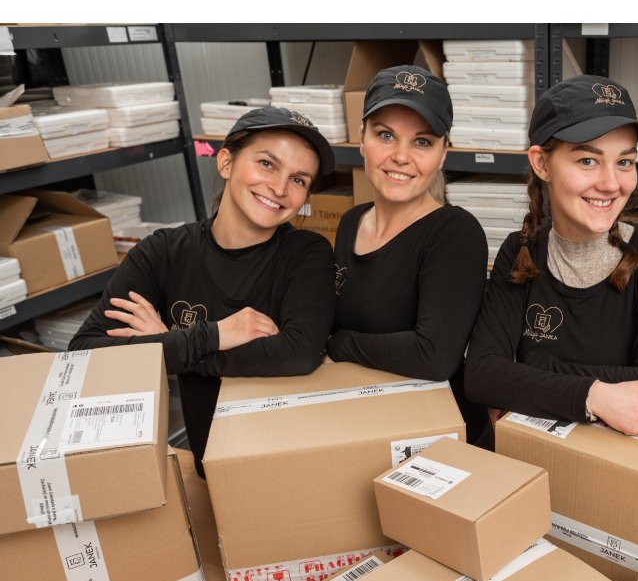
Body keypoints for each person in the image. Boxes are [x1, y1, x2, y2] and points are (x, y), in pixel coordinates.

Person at [69, 106, 337, 476]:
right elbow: (84, 354)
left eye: (298, 180)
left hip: (293, 458)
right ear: (225, 162)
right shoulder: (163, 252)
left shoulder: (307, 253)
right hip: (211, 460)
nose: (279, 188)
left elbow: (299, 354)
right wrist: (215, 334)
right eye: (267, 164)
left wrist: (170, 345)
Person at [464, 75, 638, 436]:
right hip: (528, 453)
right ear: (541, 163)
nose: (611, 184)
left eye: (625, 162)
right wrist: (595, 396)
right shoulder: (520, 250)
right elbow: (481, 376)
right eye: (588, 161)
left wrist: (530, 366)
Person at [326, 65, 489, 443]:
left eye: (422, 142)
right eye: (386, 135)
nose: (401, 156)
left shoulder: (455, 233)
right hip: (365, 420)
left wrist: (339, 343)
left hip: (438, 437)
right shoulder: (350, 223)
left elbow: (433, 355)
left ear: (443, 153)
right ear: (362, 139)